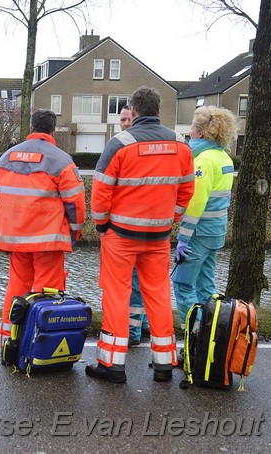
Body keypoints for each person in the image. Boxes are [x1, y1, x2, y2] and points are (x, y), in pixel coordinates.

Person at [87, 86, 194, 384]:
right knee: (159, 294)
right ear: (158, 110)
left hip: (120, 235)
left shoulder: (120, 144)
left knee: (117, 294)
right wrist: (169, 219)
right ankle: (163, 363)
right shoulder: (180, 145)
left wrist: (102, 224)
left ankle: (113, 365)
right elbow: (186, 191)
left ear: (133, 112)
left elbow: (101, 191)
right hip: (158, 236)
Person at [0, 108, 86, 351]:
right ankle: (39, 345)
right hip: (48, 240)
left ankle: (8, 341)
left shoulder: (6, 157)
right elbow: (75, 203)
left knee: (16, 288)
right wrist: (74, 233)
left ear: (31, 128)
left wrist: (11, 223)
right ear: (52, 131)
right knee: (46, 293)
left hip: (15, 238)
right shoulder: (61, 160)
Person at [172, 106, 237, 346]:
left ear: (200, 132)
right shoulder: (223, 157)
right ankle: (211, 338)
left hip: (199, 234)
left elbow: (195, 203)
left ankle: (194, 339)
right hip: (215, 233)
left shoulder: (203, 161)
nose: (189, 134)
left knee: (182, 284)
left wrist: (184, 238)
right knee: (206, 287)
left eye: (191, 128)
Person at [120, 105, 150, 347]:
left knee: (134, 282)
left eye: (128, 119)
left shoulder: (134, 147)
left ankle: (133, 330)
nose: (125, 123)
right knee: (142, 281)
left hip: (132, 226)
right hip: (148, 225)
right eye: (122, 119)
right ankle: (146, 324)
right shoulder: (120, 143)